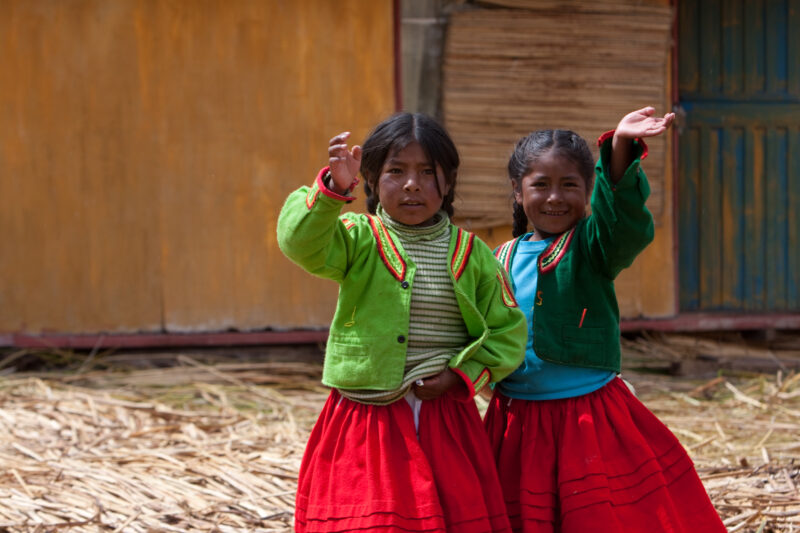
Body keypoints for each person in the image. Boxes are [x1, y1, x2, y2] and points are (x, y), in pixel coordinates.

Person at [277, 112, 527, 533]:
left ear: (448, 183)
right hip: (366, 415)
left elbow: (507, 331)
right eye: (396, 171)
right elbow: (299, 242)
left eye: (427, 172)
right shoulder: (357, 239)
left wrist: (460, 375)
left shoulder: (473, 255)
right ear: (372, 180)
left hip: (444, 419)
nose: (412, 184)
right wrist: (334, 191)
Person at [485, 107, 726, 532]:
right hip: (517, 421)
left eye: (569, 185)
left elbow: (624, 224)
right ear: (517, 191)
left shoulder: (594, 248)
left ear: (590, 190)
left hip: (587, 420)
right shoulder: (495, 260)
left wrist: (619, 150)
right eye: (540, 185)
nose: (555, 197)